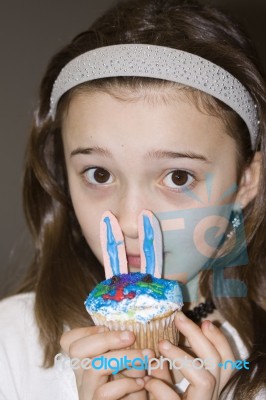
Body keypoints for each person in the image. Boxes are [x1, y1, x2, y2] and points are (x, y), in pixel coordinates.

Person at [0, 0, 266, 398]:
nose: (128, 221)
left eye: (178, 177)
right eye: (99, 174)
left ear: (246, 181)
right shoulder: (12, 345)